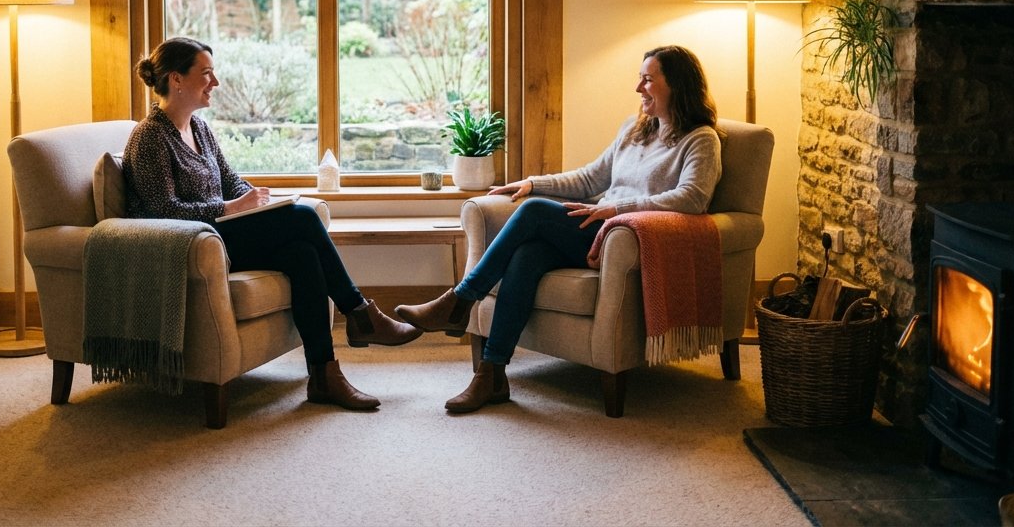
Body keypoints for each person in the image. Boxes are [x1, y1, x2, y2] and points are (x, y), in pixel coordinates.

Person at [397, 45, 723, 413]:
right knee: (527, 253)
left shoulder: (701, 140)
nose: (638, 88)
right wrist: (533, 183)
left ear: (677, 85)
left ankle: (459, 300)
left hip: (629, 239)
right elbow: (590, 177)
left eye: (648, 79)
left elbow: (692, 199)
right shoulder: (634, 131)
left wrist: (617, 209)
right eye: (640, 78)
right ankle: (491, 375)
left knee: (535, 213)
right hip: (598, 229)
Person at [123, 36, 422, 411]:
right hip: (187, 247)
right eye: (206, 74)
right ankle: (360, 313)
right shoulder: (149, 137)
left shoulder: (199, 130)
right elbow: (162, 210)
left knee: (301, 253)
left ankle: (324, 375)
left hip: (219, 239)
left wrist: (257, 202)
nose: (214, 83)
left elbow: (232, 182)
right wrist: (231, 208)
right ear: (176, 79)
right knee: (302, 218)